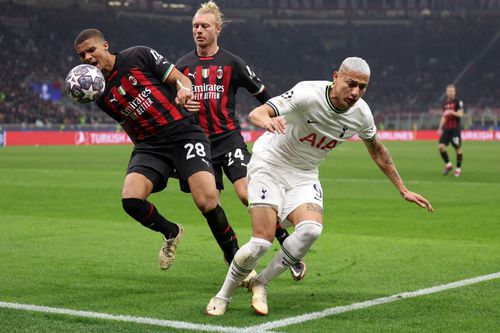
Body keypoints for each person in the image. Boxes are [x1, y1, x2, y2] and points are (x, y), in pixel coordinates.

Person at [205, 57, 434, 316]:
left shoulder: (361, 114)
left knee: (311, 230)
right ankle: (223, 296)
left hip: (304, 173)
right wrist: (267, 121)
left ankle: (261, 282)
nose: (355, 92)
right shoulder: (307, 93)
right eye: (351, 84)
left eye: (362, 87)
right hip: (270, 164)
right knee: (261, 243)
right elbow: (258, 112)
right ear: (336, 76)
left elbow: (378, 150)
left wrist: (402, 188)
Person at [73, 28, 241, 271]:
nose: (88, 58)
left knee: (207, 201)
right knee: (131, 201)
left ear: (105, 46)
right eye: (82, 55)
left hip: (183, 132)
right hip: (149, 147)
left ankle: (233, 254)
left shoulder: (138, 55)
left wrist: (185, 90)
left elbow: (180, 79)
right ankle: (171, 232)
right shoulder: (99, 94)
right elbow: (128, 126)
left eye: (91, 50)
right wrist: (144, 159)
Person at [176, 1, 306, 280]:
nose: (199, 30)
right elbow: (170, 103)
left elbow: (262, 92)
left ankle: (287, 245)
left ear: (217, 30)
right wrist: (181, 106)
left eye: (204, 26)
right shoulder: (182, 67)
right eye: (195, 26)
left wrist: (277, 115)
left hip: (229, 138)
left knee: (248, 193)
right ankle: (231, 251)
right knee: (208, 204)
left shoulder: (232, 63)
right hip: (198, 144)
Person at [437, 84, 464, 177]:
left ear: (455, 92)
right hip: (446, 129)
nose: (450, 92)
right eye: (449, 91)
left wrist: (452, 112)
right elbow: (444, 116)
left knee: (457, 148)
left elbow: (460, 114)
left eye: (452, 91)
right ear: (446, 92)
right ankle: (448, 165)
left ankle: (458, 169)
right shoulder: (445, 103)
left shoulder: (458, 102)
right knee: (441, 147)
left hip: (455, 129)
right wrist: (440, 128)